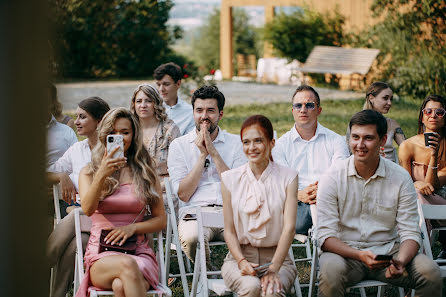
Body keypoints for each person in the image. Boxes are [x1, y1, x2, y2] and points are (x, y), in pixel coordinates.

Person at [317, 109, 442, 297]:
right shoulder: (332, 176)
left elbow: (410, 231)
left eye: (368, 138)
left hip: (389, 251)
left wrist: (400, 260)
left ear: (383, 141)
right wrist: (359, 255)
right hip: (345, 254)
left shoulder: (400, 177)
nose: (360, 144)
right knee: (330, 275)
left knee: (431, 273)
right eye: (355, 137)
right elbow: (325, 237)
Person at [75, 108, 166, 297]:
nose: (120, 138)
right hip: (101, 253)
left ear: (134, 136)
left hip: (138, 251)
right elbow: (88, 208)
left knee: (120, 286)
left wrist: (132, 228)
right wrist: (102, 174)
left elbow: (160, 220)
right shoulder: (89, 172)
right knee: (127, 266)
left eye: (125, 132)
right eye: (113, 133)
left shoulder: (145, 171)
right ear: (104, 136)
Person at [167, 85, 246, 266]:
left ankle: (229, 274)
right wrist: (202, 155)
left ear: (220, 114)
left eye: (210, 110)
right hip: (195, 214)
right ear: (193, 113)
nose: (204, 116)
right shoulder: (179, 146)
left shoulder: (236, 143)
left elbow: (237, 187)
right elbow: (183, 194)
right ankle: (209, 276)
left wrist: (214, 152)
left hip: (231, 214)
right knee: (192, 238)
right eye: (199, 110)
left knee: (252, 240)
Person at [221, 115, 298, 297]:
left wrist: (274, 268)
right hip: (239, 258)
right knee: (251, 287)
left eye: (258, 141)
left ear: (271, 143)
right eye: (246, 142)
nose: (252, 148)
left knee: (271, 292)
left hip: (278, 259)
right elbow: (229, 230)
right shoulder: (229, 179)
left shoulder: (288, 177)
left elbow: (289, 228)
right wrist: (241, 261)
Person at [47, 97, 110, 297]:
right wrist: (61, 175)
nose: (76, 122)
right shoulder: (77, 150)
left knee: (74, 216)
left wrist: (77, 209)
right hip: (84, 224)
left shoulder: (113, 151)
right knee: (77, 243)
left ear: (99, 121)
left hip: (107, 219)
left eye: (83, 117)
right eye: (76, 117)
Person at [272, 85, 349, 236]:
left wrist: (322, 191)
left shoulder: (336, 140)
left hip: (331, 199)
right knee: (298, 220)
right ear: (292, 110)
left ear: (319, 110)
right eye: (298, 105)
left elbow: (340, 174)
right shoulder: (280, 145)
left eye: (309, 105)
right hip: (297, 202)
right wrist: (299, 194)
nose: (303, 109)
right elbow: (279, 182)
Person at [398, 94, 446, 257]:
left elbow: (433, 187)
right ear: (421, 117)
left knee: (417, 196)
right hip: (415, 202)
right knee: (416, 195)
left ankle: (420, 258)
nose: (433, 115)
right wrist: (416, 185)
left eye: (439, 112)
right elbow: (405, 183)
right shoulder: (407, 146)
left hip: (441, 203)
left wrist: (433, 154)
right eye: (428, 111)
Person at [130, 83, 180, 190]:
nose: (143, 105)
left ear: (156, 103)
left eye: (148, 101)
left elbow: (179, 170)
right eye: (139, 101)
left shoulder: (170, 130)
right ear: (134, 104)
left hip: (164, 189)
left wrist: (155, 189)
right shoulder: (129, 130)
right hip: (134, 188)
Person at [346, 82, 405, 162]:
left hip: (389, 169)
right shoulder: (357, 123)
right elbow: (349, 152)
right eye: (385, 98)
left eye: (391, 99)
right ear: (371, 98)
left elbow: (406, 147)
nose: (389, 103)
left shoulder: (392, 124)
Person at [154, 62, 195, 135]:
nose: (161, 89)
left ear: (178, 84)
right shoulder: (152, 109)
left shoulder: (190, 112)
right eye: (158, 84)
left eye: (166, 84)